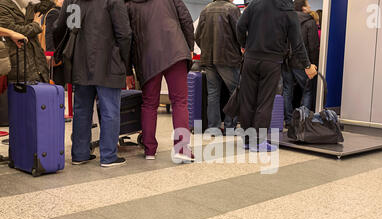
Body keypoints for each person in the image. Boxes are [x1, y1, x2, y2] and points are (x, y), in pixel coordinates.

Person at [53, 0, 132, 167]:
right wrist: (124, 60)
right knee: (110, 109)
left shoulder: (73, 0)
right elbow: (124, 34)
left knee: (81, 109)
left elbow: (61, 27)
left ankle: (80, 154)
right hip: (108, 61)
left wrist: (61, 53)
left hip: (79, 63)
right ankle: (108, 156)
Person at [236, 0, 317, 152]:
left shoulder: (255, 4)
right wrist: (307, 65)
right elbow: (297, 43)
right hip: (271, 61)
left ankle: (247, 140)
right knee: (265, 101)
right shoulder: (287, 10)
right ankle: (258, 142)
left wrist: (244, 45)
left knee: (247, 100)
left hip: (250, 59)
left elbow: (240, 26)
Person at [127, 0, 195, 162]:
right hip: (175, 51)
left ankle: (150, 149)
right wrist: (189, 47)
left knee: (149, 104)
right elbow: (186, 20)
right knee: (180, 102)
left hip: (147, 57)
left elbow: (126, 37)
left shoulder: (129, 4)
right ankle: (182, 149)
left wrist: (128, 69)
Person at [195, 0, 242, 135]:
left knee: (213, 94)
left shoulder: (206, 9)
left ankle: (213, 128)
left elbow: (197, 36)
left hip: (209, 58)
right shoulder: (232, 9)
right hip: (228, 58)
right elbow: (240, 34)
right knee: (236, 92)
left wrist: (206, 48)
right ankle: (229, 126)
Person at [282, 0, 320, 125]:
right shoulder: (310, 22)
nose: (310, 7)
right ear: (304, 8)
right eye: (308, 5)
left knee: (287, 90)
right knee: (307, 90)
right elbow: (313, 46)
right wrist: (313, 64)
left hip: (286, 61)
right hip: (303, 63)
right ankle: (304, 121)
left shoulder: (286, 20)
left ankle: (288, 120)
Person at [0, 0, 54, 83]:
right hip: (18, 60)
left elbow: (49, 4)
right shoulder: (3, 6)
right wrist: (35, 25)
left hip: (37, 60)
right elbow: (14, 31)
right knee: (21, 92)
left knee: (40, 91)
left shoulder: (28, 4)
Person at [42, 0, 64, 85]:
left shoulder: (57, 12)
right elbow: (49, 33)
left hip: (56, 53)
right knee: (56, 81)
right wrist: (49, 52)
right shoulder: (54, 12)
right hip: (54, 54)